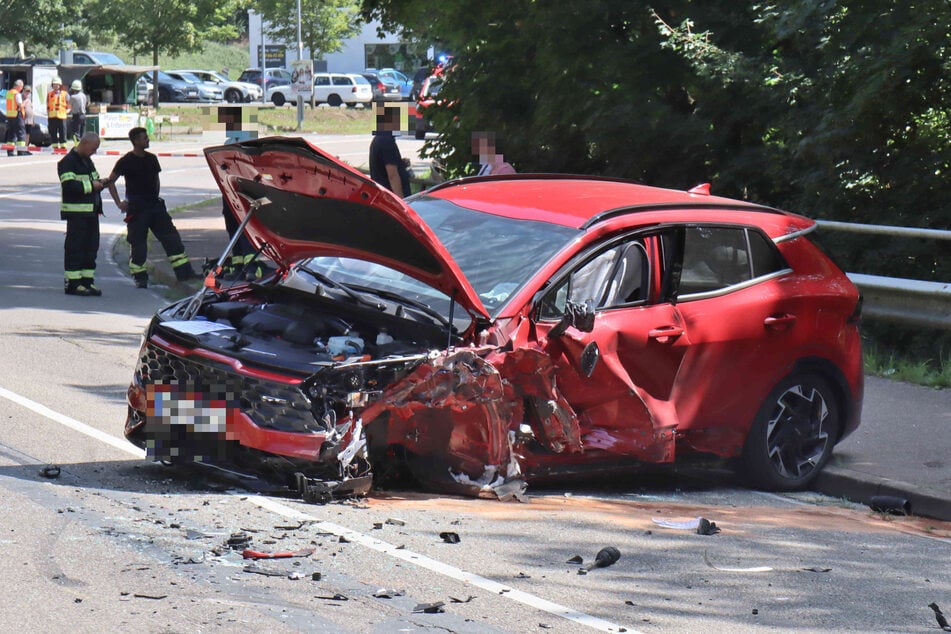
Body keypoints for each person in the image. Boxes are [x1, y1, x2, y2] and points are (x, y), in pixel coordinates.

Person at [106, 127, 197, 288]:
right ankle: (140, 277)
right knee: (138, 244)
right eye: (144, 138)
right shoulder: (126, 161)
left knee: (172, 240)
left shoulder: (152, 159)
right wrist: (119, 202)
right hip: (137, 209)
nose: (147, 140)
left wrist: (155, 195)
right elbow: (110, 180)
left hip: (155, 206)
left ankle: (185, 274)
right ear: (135, 141)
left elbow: (156, 179)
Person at [59, 132, 110, 296]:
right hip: (76, 214)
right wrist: (91, 186)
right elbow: (69, 186)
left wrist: (102, 183)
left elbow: (94, 179)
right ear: (85, 143)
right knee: (76, 248)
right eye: (93, 148)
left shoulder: (87, 161)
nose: (94, 152)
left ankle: (87, 281)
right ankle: (73, 284)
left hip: (91, 213)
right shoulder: (67, 162)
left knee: (91, 247)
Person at [369, 103, 411, 197]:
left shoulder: (379, 139)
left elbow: (385, 165)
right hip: (390, 197)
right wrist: (401, 202)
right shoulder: (387, 143)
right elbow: (392, 175)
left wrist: (400, 163)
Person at [4, 79, 29, 156]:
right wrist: (25, 102)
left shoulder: (8, 93)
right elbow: (20, 105)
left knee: (11, 134)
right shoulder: (17, 94)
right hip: (17, 115)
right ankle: (21, 151)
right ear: (18, 86)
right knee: (21, 133)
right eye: (21, 87)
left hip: (10, 116)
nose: (21, 88)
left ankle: (10, 151)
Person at [47, 76, 70, 149]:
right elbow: (47, 105)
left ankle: (63, 147)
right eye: (54, 84)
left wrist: (66, 112)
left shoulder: (65, 94)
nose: (55, 86)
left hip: (62, 116)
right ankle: (55, 147)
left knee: (62, 132)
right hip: (52, 117)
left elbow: (69, 105)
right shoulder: (49, 94)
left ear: (60, 85)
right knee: (53, 132)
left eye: (57, 84)